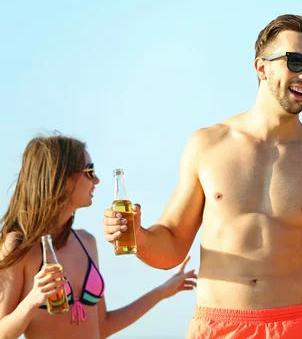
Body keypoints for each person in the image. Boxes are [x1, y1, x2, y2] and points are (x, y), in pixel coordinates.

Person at [101, 14, 302, 339]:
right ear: (261, 67)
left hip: (300, 326)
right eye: (296, 61)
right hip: (218, 326)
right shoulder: (208, 145)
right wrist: (137, 236)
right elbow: (172, 245)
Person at [0, 134, 197, 339]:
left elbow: (103, 326)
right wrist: (32, 300)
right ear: (62, 177)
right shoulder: (18, 245)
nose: (97, 180)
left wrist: (164, 290)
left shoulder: (87, 242)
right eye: (89, 171)